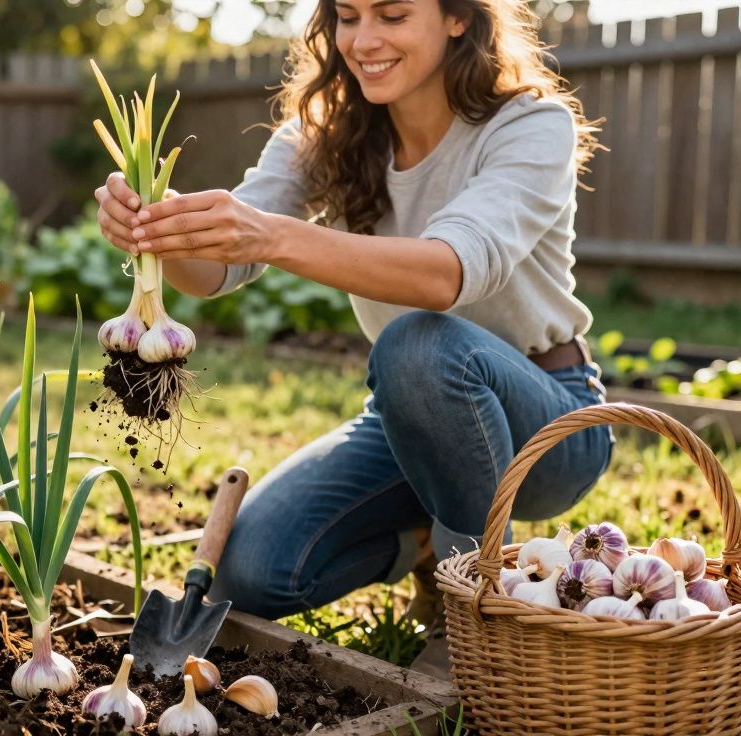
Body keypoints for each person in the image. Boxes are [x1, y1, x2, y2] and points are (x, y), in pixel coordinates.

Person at [93, 0, 614, 677]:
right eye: (347, 16)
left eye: (392, 15)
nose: (363, 40)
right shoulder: (326, 132)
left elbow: (447, 273)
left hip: (548, 426)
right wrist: (157, 234)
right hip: (412, 413)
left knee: (418, 344)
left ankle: (476, 610)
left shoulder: (529, 126)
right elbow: (221, 268)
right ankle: (426, 541)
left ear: (458, 18)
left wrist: (274, 236)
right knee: (252, 571)